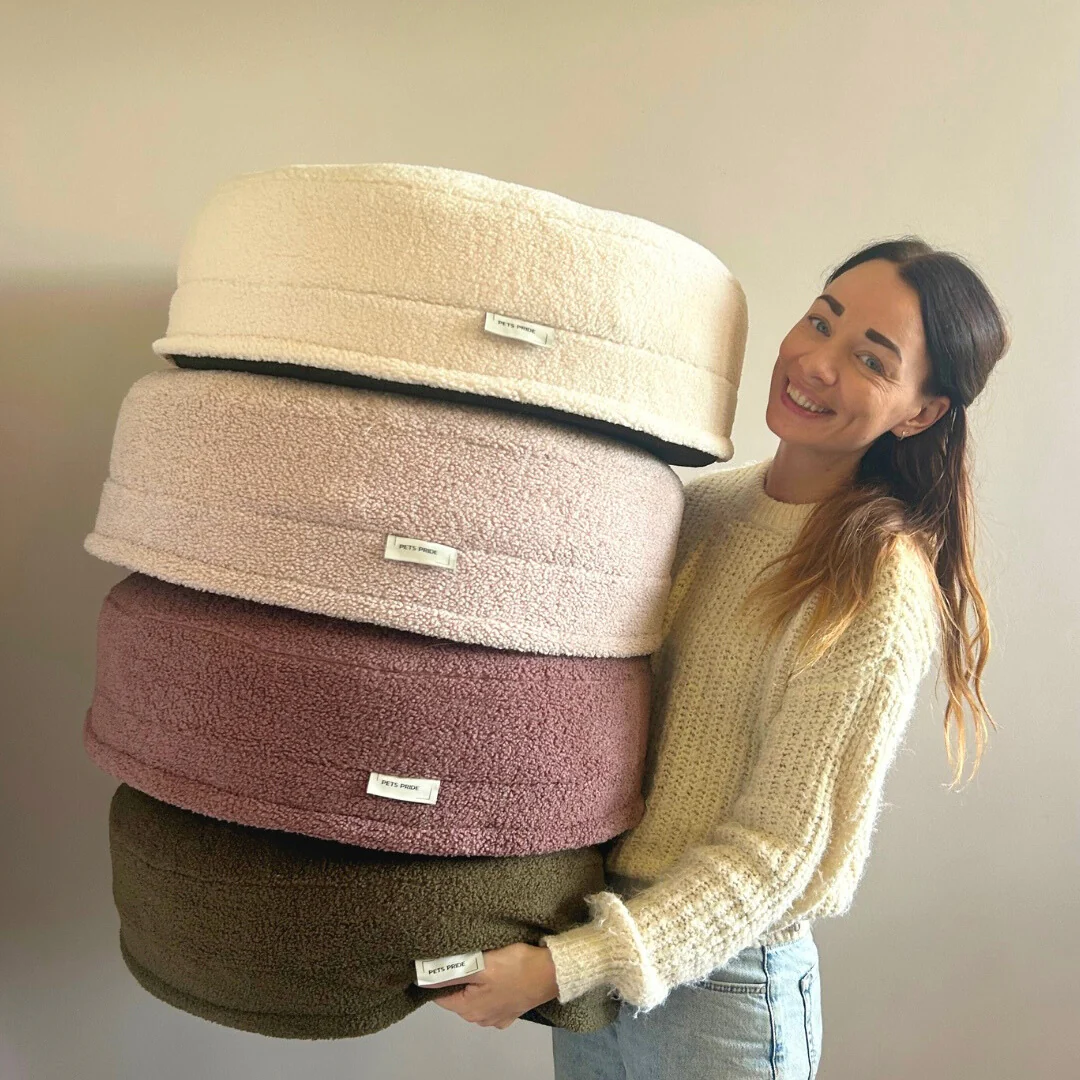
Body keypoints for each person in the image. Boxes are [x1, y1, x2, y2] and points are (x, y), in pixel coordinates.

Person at [429, 237, 1009, 1079]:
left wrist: (567, 967)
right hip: (599, 956)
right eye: (821, 321)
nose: (815, 362)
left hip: (723, 992)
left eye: (871, 359)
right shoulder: (697, 509)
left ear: (921, 412)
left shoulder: (877, 578)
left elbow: (780, 852)